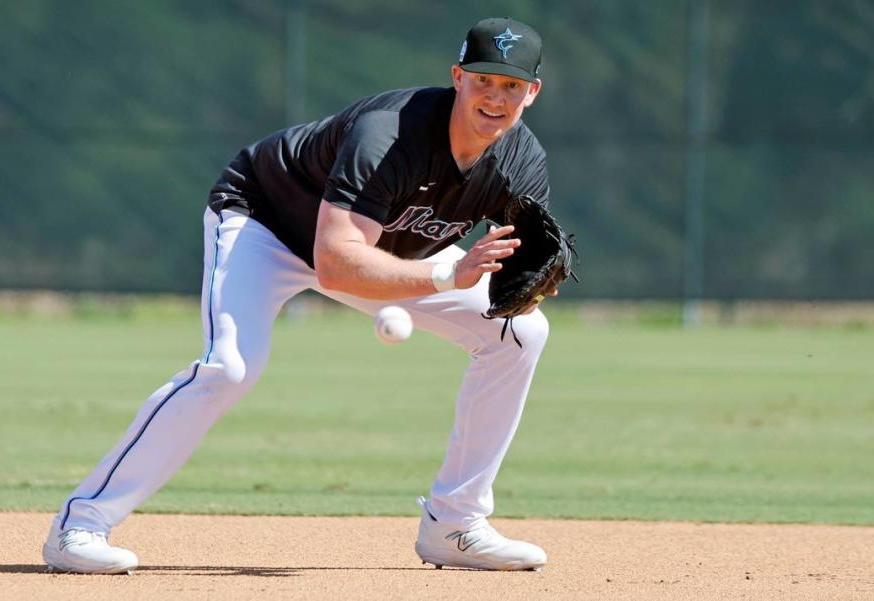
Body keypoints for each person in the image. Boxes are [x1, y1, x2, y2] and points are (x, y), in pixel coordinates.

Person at [43, 16, 560, 573]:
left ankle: (455, 525)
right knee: (230, 367)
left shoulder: (520, 163)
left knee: (520, 333)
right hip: (267, 224)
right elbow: (336, 264)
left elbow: (520, 271)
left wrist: (525, 290)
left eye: (511, 85)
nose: (495, 96)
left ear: (531, 93)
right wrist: (444, 279)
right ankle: (80, 526)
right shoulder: (390, 132)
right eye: (484, 79)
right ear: (457, 78)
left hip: (384, 253)